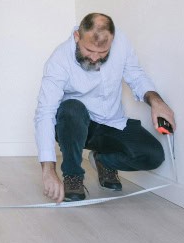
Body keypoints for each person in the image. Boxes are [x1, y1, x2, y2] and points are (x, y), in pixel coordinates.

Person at [34, 13, 175, 202]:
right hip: (76, 127)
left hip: (112, 123)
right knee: (71, 108)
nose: (94, 58)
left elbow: (135, 75)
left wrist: (157, 101)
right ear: (77, 37)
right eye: (89, 50)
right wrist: (48, 171)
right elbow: (45, 113)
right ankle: (73, 175)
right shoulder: (59, 60)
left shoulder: (121, 43)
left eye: (102, 53)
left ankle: (103, 161)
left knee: (153, 156)